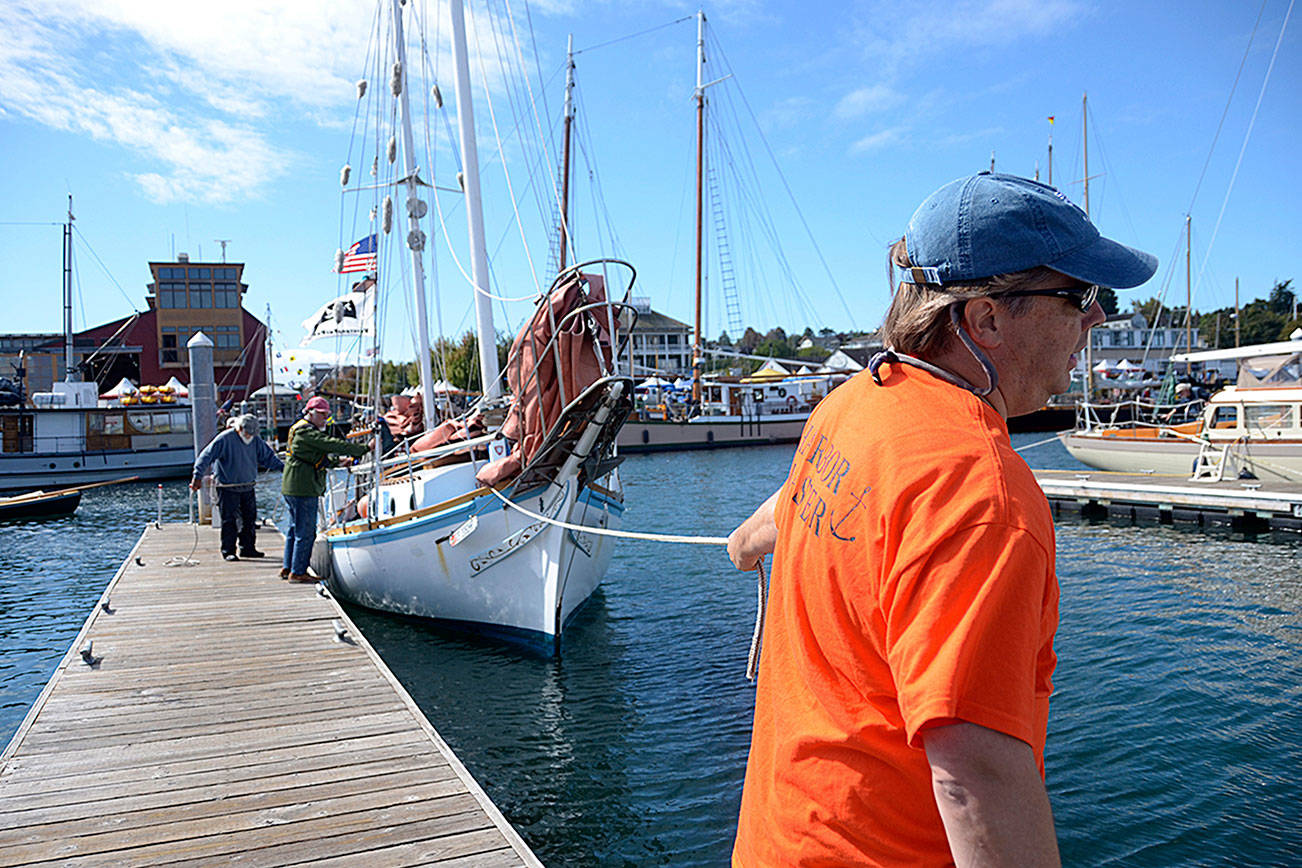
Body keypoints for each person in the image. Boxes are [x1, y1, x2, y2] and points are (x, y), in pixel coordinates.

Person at [727, 172, 1157, 866]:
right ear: (985, 319)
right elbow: (973, 778)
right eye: (1078, 295)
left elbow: (798, 501)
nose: (1098, 317)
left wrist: (744, 545)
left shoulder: (851, 407)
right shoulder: (982, 498)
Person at [280, 396, 371, 583]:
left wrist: (338, 461)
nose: (325, 419)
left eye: (326, 415)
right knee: (305, 532)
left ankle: (288, 567)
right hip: (303, 487)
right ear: (311, 413)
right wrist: (363, 449)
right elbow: (330, 444)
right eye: (322, 415)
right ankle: (297, 572)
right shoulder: (307, 432)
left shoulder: (298, 429)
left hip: (293, 486)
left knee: (294, 529)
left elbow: (313, 456)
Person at [190, 414, 284, 562]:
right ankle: (228, 551)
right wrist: (197, 476)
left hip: (247, 486)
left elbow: (268, 458)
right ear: (239, 429)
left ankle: (247, 548)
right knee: (229, 520)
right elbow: (206, 456)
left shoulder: (255, 441)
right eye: (247, 433)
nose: (249, 436)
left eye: (252, 434)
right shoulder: (225, 438)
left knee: (249, 519)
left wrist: (284, 468)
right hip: (227, 487)